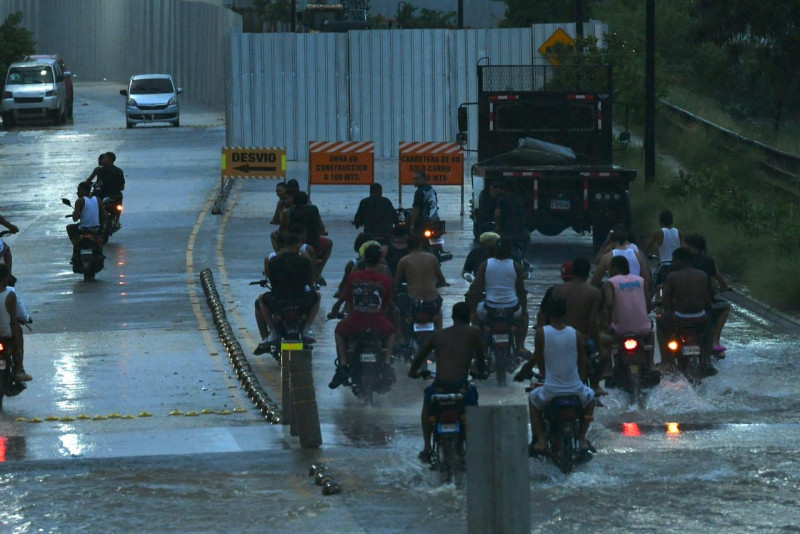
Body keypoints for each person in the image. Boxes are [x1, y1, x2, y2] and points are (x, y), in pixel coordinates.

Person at [515, 297, 595, 456]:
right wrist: (579, 379)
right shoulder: (575, 334)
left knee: (532, 399)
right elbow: (582, 364)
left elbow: (539, 362)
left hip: (551, 391)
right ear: (565, 314)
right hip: (576, 389)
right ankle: (582, 438)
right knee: (591, 400)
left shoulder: (541, 333)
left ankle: (541, 441)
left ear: (548, 314)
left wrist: (527, 372)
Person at [408, 301, 485, 463]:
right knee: (473, 406)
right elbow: (481, 357)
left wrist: (413, 373)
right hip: (462, 388)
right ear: (469, 317)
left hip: (440, 388)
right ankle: (474, 443)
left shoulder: (438, 335)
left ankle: (427, 447)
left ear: (453, 317)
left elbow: (419, 358)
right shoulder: (474, 332)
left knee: (427, 404)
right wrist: (482, 372)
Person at [329, 243, 396, 390]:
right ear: (380, 259)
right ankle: (386, 364)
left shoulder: (354, 277)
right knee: (391, 333)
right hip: (378, 322)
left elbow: (346, 298)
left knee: (339, 332)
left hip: (355, 321)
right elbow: (387, 304)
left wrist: (335, 309)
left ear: (364, 259)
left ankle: (343, 366)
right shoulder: (385, 280)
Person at [253, 234, 320, 354]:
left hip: (278, 301)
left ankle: (273, 332)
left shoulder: (273, 261)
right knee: (318, 296)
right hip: (300, 300)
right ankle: (306, 328)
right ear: (297, 245)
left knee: (261, 299)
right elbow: (310, 283)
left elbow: (273, 282)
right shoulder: (304, 261)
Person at [468, 239, 528, 356]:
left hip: (489, 309)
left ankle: (479, 346)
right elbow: (521, 292)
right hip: (512, 309)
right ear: (510, 251)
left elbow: (476, 290)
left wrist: (473, 310)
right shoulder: (516, 266)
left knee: (476, 317)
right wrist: (523, 311)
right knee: (525, 316)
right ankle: (520, 346)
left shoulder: (485, 265)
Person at [552, 257, 603, 390]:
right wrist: (599, 347)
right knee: (605, 353)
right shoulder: (594, 292)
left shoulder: (557, 290)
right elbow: (592, 323)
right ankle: (595, 386)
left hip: (559, 338)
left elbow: (552, 317)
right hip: (583, 340)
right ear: (588, 273)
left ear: (573, 272)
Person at [657, 247, 711, 368]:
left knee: (660, 323)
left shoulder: (672, 276)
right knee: (709, 330)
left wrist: (667, 309)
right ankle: (707, 360)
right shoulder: (702, 275)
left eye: (674, 260)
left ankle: (666, 361)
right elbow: (707, 299)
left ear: (682, 261)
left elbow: (665, 300)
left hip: (679, 317)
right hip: (700, 317)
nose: (673, 263)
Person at [602, 255, 656, 369]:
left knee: (604, 337)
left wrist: (607, 321)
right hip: (642, 329)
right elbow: (649, 306)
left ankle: (608, 369)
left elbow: (609, 303)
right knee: (650, 333)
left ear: (615, 268)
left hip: (620, 329)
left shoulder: (610, 283)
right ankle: (651, 363)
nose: (608, 271)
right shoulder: (641, 281)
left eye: (609, 268)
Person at [683, 234, 731, 354]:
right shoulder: (708, 260)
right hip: (704, 303)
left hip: (681, 303)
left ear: (688, 245)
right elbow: (716, 280)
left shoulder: (680, 259)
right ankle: (715, 341)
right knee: (726, 307)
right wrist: (725, 287)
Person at [394, 235, 448, 330]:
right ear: (421, 244)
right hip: (432, 301)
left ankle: (401, 335)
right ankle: (440, 332)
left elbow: (395, 282)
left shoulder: (404, 261)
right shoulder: (432, 258)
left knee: (402, 315)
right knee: (439, 313)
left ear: (407, 246)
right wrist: (442, 283)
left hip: (413, 301)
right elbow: (441, 279)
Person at [290, 191, 333, 282]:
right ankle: (318, 272)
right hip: (316, 243)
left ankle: (315, 274)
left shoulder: (293, 212)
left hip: (300, 243)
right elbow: (321, 226)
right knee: (329, 243)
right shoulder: (314, 209)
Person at [0, 264, 30, 381]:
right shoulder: (10, 295)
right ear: (5, 278)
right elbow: (13, 320)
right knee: (18, 332)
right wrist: (17, 342)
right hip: (5, 336)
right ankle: (19, 369)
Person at [494, 178, 529, 263]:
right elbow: (525, 214)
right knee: (527, 239)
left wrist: (498, 226)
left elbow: (497, 214)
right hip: (519, 231)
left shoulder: (502, 199)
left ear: (505, 188)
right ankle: (523, 258)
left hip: (505, 231)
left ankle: (496, 257)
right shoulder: (520, 199)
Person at [644, 210, 683, 286]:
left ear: (660, 220)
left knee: (655, 285)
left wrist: (644, 258)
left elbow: (648, 246)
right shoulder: (680, 233)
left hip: (665, 266)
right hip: (678, 265)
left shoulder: (658, 233)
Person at [409, 170, 439, 236]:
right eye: (414, 179)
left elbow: (416, 209)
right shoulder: (431, 189)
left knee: (412, 234)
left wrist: (412, 224)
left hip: (424, 221)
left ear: (424, 179)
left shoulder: (419, 192)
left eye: (418, 179)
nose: (415, 181)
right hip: (435, 219)